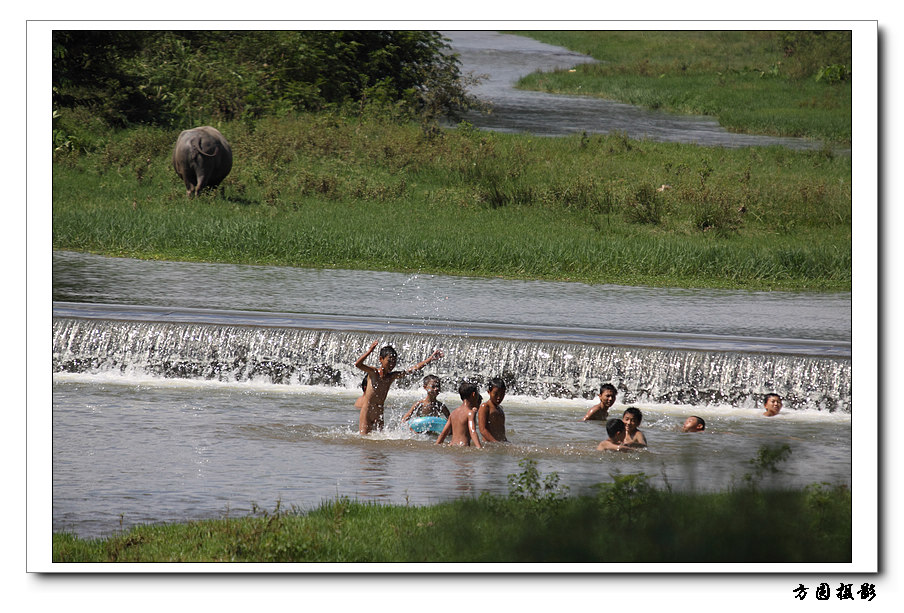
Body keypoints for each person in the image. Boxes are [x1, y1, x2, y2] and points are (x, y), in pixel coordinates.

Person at [354, 340, 443, 435]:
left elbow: (413, 369)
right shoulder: (373, 373)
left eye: (394, 362)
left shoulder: (391, 376)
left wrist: (430, 359)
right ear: (381, 359)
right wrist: (370, 350)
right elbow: (358, 364)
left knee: (378, 442)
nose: (392, 364)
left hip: (379, 412)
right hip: (367, 411)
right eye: (389, 361)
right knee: (364, 439)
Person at [436, 381, 483, 448]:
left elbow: (443, 433)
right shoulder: (470, 413)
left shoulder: (453, 413)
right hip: (463, 446)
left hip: (451, 445)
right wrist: (479, 447)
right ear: (473, 394)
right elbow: (472, 431)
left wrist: (437, 444)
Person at [477, 377, 508, 443]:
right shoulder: (485, 407)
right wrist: (496, 443)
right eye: (496, 394)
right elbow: (482, 430)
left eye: (502, 394)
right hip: (489, 445)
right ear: (489, 392)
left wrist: (506, 442)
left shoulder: (500, 409)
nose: (499, 398)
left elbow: (501, 431)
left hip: (498, 444)